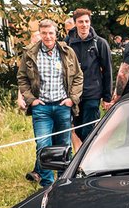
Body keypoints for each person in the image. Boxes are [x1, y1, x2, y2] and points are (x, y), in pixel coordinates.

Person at [17, 19, 83, 188]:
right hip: (42, 107)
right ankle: (47, 184)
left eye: (51, 33)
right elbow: (22, 78)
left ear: (56, 33)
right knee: (43, 145)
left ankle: (63, 181)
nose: (47, 36)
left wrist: (72, 99)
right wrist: (31, 100)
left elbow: (78, 77)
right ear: (40, 34)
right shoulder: (31, 53)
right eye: (44, 33)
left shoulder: (67, 52)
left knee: (64, 145)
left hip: (62, 106)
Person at [67, 9, 113, 141]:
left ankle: (91, 158)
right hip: (74, 94)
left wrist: (107, 97)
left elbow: (108, 70)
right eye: (80, 22)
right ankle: (83, 158)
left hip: (93, 93)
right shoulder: (67, 42)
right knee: (78, 130)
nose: (84, 25)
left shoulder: (100, 43)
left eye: (87, 21)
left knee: (90, 131)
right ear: (75, 23)